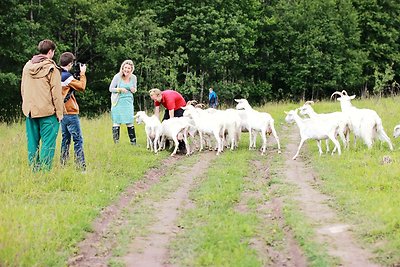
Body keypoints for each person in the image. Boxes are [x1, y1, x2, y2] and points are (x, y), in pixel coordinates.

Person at [20, 39, 63, 171]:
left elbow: (23, 89)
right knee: (47, 144)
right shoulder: (52, 69)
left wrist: (27, 106)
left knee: (32, 144)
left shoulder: (27, 67)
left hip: (30, 112)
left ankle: (34, 170)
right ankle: (45, 173)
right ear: (50, 52)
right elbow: (56, 93)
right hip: (48, 113)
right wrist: (59, 113)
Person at [59, 52, 87, 171]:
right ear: (70, 64)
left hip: (61, 112)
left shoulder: (57, 74)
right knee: (77, 139)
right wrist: (82, 74)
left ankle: (63, 163)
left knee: (65, 139)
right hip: (70, 112)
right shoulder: (67, 77)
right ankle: (81, 166)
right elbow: (81, 86)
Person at [149, 88, 187, 153]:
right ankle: (164, 144)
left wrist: (171, 126)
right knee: (163, 125)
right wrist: (157, 123)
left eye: (155, 99)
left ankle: (182, 147)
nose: (155, 101)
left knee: (177, 127)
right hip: (170, 108)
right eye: (153, 100)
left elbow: (171, 114)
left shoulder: (169, 98)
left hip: (179, 108)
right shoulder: (157, 99)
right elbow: (157, 111)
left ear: (158, 95)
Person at [109, 60, 137, 144]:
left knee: (129, 121)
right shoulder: (117, 77)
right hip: (118, 101)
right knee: (117, 121)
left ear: (131, 69)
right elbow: (111, 89)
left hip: (128, 102)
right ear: (122, 68)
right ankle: (116, 143)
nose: (127, 70)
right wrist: (119, 89)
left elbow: (135, 89)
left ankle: (133, 142)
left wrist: (133, 90)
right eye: (125, 68)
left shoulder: (134, 77)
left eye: (129, 68)